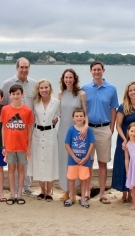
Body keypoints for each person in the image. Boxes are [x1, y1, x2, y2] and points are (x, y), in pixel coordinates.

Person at [82, 61, 118, 204]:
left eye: (99, 69)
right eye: (94, 69)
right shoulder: (84, 89)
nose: (97, 72)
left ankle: (102, 193)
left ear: (103, 70)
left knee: (103, 163)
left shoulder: (111, 89)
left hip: (104, 128)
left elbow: (113, 109)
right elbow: (80, 109)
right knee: (88, 162)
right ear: (90, 71)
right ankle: (87, 191)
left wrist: (111, 129)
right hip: (88, 128)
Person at [1, 57, 38, 197]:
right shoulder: (7, 84)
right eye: (21, 67)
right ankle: (15, 189)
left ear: (29, 68)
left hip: (29, 126)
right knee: (13, 160)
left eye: (26, 67)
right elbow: (2, 104)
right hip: (12, 127)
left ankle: (26, 186)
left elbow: (37, 104)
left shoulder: (34, 84)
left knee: (26, 157)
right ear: (17, 68)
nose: (23, 70)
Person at [57, 68, 89, 201]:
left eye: (70, 77)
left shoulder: (81, 94)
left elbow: (85, 114)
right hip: (63, 130)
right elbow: (58, 113)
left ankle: (75, 191)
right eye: (66, 77)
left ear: (74, 79)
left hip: (78, 131)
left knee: (77, 158)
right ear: (63, 79)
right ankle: (67, 191)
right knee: (64, 159)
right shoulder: (60, 94)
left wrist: (86, 127)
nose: (68, 80)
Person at [111, 82, 135, 203]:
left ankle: (132, 194)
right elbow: (118, 126)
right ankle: (124, 195)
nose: (133, 92)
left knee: (134, 166)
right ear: (127, 93)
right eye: (131, 90)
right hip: (124, 140)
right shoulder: (123, 106)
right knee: (123, 166)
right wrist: (125, 139)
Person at [1, 84, 34, 205]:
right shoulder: (5, 109)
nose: (16, 96)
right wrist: (3, 146)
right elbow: (3, 128)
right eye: (13, 94)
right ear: (10, 95)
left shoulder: (27, 110)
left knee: (21, 169)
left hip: (22, 146)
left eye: (18, 94)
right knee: (11, 169)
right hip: (9, 146)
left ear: (22, 94)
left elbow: (30, 130)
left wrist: (29, 147)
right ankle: (12, 193)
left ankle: (20, 193)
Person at [27, 79, 60, 202]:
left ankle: (49, 191)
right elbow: (31, 118)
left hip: (51, 133)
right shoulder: (35, 103)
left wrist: (56, 119)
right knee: (39, 161)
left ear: (50, 88)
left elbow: (60, 114)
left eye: (46, 87)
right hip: (37, 133)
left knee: (50, 161)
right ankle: (42, 191)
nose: (44, 90)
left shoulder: (56, 102)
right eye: (41, 88)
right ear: (38, 90)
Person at [64, 108, 95, 208]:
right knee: (71, 179)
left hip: (84, 160)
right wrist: (73, 156)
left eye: (81, 116)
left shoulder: (88, 130)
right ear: (73, 118)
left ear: (84, 118)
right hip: (73, 160)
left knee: (83, 179)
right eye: (77, 116)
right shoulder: (71, 130)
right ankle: (71, 197)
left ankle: (83, 199)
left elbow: (91, 144)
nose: (79, 118)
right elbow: (67, 145)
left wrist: (86, 157)